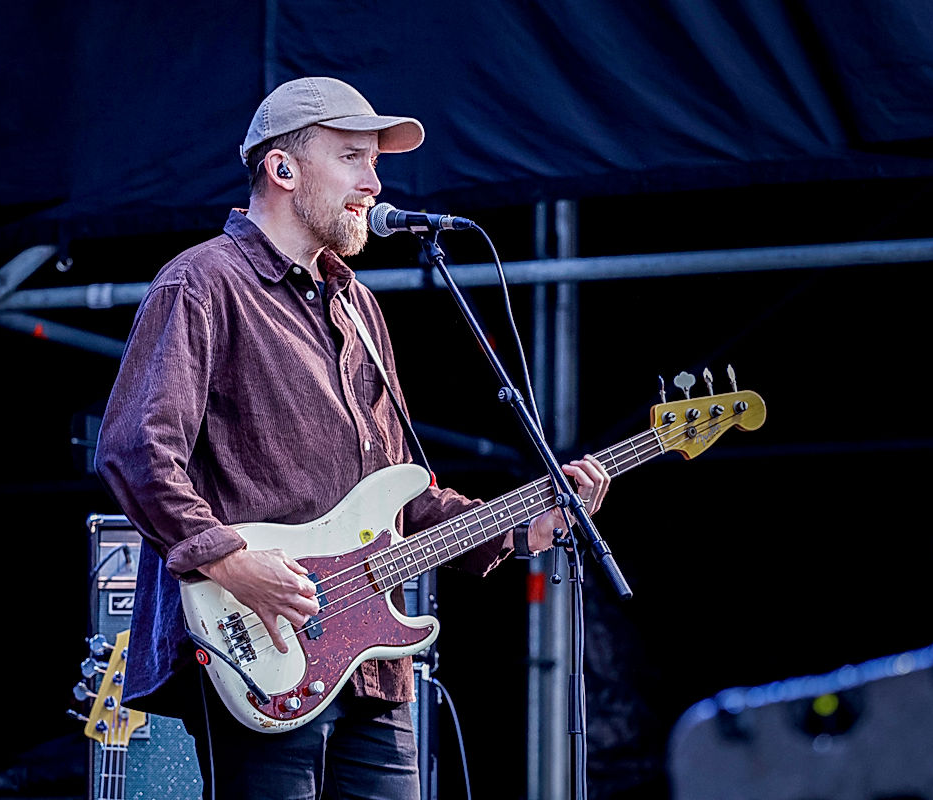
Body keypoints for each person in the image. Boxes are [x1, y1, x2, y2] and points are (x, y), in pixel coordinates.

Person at [94, 76, 610, 800]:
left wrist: (525, 527)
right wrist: (230, 561)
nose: (374, 182)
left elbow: (401, 491)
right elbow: (135, 452)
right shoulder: (201, 285)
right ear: (283, 169)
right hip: (262, 645)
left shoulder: (358, 306)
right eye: (353, 159)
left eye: (374, 162)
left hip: (370, 667)